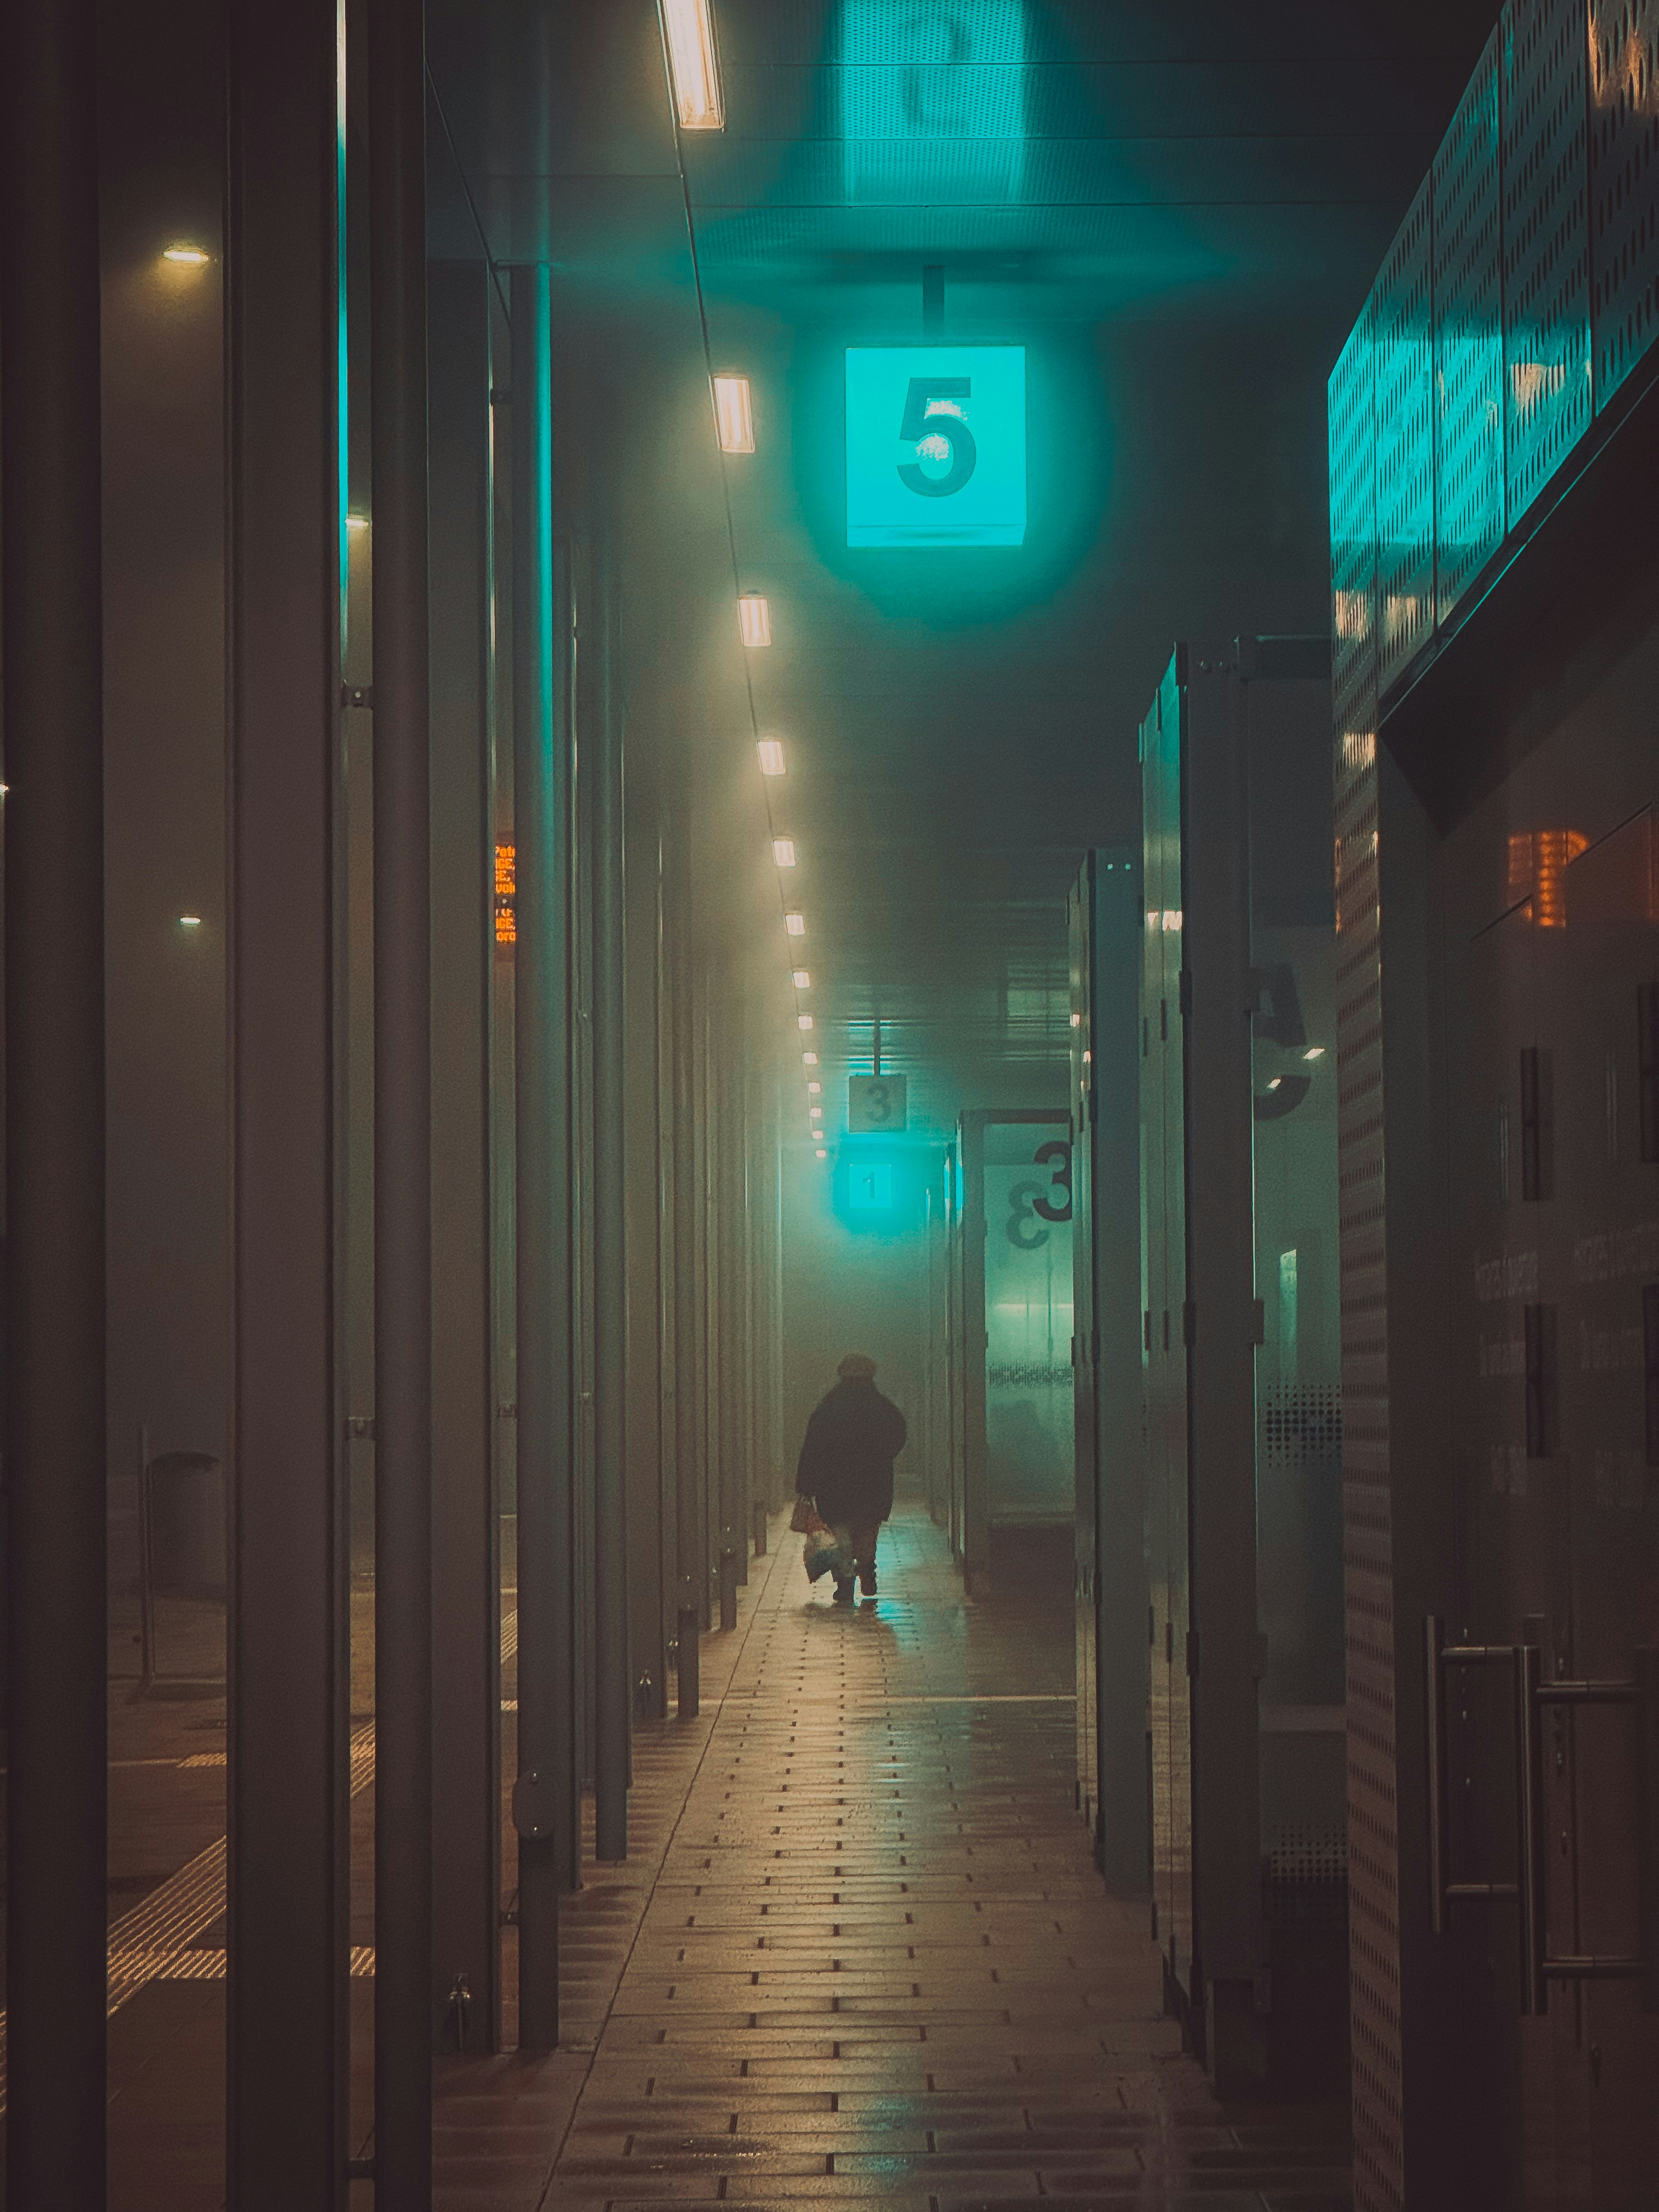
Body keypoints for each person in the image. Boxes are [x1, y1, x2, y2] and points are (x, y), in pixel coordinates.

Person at [795, 1352, 907, 1604]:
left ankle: (845, 1582)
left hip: (836, 1485)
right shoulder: (883, 1408)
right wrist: (882, 1456)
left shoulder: (829, 1407)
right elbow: (898, 1435)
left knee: (841, 1534)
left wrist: (806, 1484)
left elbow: (813, 1446)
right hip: (874, 1482)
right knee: (867, 1531)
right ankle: (867, 1569)